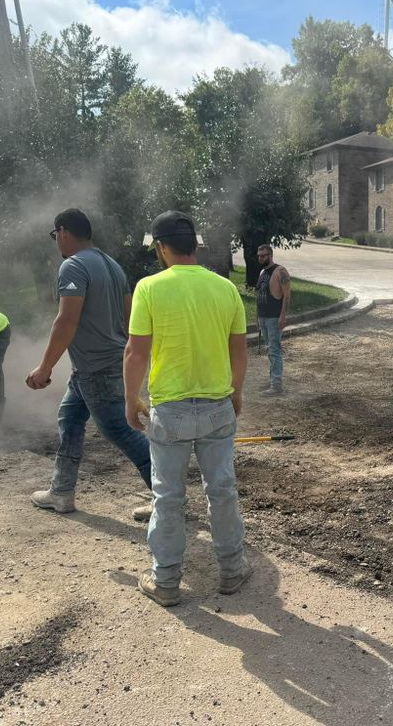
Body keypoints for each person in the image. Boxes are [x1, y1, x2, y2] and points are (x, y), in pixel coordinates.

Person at [124, 210, 250, 606]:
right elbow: (239, 351)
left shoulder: (148, 288)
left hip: (171, 412)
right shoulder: (225, 289)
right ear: (195, 245)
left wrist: (131, 399)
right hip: (217, 407)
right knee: (222, 490)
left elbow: (136, 352)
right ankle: (231, 570)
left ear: (161, 248)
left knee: (168, 497)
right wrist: (237, 392)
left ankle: (166, 581)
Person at [27, 208, 153, 519]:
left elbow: (66, 321)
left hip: (97, 368)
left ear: (63, 231)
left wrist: (45, 368)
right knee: (69, 419)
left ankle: (169, 497)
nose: (57, 242)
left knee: (121, 431)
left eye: (56, 236)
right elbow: (130, 317)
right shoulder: (112, 265)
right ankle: (61, 491)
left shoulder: (73, 266)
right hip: (95, 366)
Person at [255, 244, 291, 396]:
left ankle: (276, 385)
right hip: (263, 317)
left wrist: (283, 316)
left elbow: (287, 296)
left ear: (270, 255)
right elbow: (259, 295)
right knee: (270, 350)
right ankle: (273, 381)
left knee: (274, 350)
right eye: (259, 256)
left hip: (274, 318)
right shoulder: (262, 272)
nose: (260, 258)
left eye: (263, 255)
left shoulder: (280, 271)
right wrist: (257, 316)